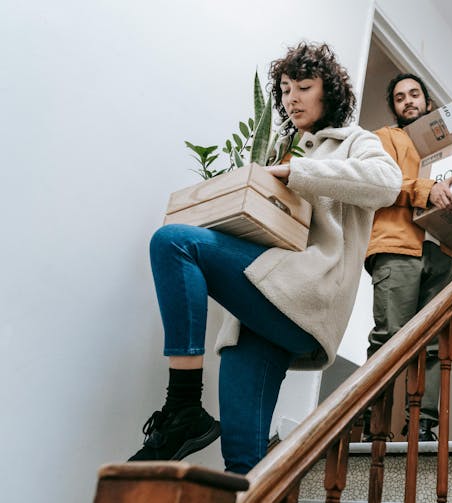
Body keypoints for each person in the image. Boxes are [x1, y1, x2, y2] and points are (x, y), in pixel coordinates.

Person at [127, 42, 402, 474]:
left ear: (327, 92)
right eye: (286, 89)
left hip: (304, 295)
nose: (292, 97)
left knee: (173, 242)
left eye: (304, 87)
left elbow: (388, 184)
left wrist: (299, 172)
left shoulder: (354, 142)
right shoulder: (278, 150)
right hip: (258, 309)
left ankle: (181, 406)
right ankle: (189, 420)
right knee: (242, 462)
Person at [364, 73, 452, 441]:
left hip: (444, 250)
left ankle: (423, 425)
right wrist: (427, 189)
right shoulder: (383, 139)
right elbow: (380, 182)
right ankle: (373, 424)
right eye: (400, 97)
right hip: (396, 246)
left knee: (434, 344)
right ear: (394, 107)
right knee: (389, 338)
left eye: (415, 94)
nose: (408, 101)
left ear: (428, 102)